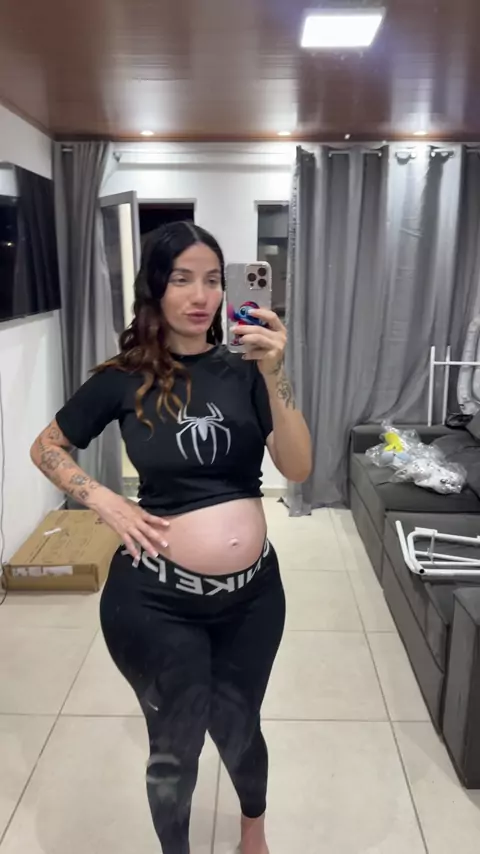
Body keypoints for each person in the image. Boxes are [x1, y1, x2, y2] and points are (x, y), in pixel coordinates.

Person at [31, 221, 312, 854]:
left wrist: (276, 370)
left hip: (253, 597)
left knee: (241, 725)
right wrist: (103, 498)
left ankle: (253, 832)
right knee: (176, 746)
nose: (201, 295)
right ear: (155, 287)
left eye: (212, 279)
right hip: (155, 599)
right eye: (182, 278)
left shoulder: (247, 369)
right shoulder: (121, 377)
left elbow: (297, 468)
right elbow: (46, 446)